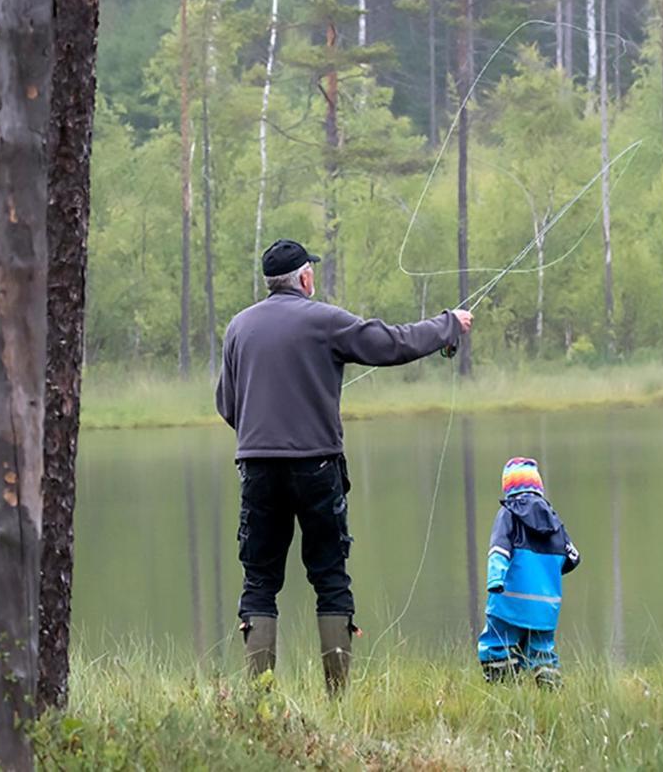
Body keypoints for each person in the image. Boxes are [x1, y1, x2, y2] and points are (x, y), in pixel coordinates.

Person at [216, 238, 473, 695]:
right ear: (305, 278)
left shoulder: (238, 327)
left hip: (256, 469)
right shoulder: (324, 320)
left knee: (259, 581)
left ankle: (260, 701)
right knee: (331, 578)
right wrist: (448, 325)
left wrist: (261, 436)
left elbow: (227, 405)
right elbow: (392, 344)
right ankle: (338, 699)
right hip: (317, 467)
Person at [477, 457, 581, 688]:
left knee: (496, 644)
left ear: (508, 487)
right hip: (546, 605)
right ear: (538, 487)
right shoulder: (554, 519)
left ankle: (502, 688)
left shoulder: (507, 514)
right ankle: (551, 692)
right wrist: (547, 575)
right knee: (543, 652)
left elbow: (499, 551)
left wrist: (495, 580)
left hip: (509, 601)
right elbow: (573, 558)